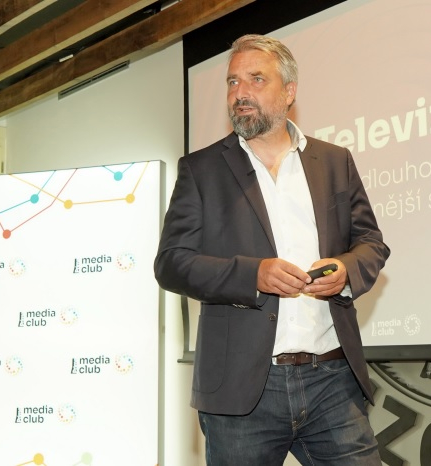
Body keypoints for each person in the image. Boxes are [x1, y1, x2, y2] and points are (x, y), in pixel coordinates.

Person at [154, 34, 390, 466]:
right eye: (232, 82)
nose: (240, 92)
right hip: (242, 391)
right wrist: (252, 275)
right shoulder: (201, 170)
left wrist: (345, 270)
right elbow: (171, 264)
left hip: (332, 381)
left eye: (256, 79)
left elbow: (371, 244)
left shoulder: (334, 161)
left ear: (289, 91)